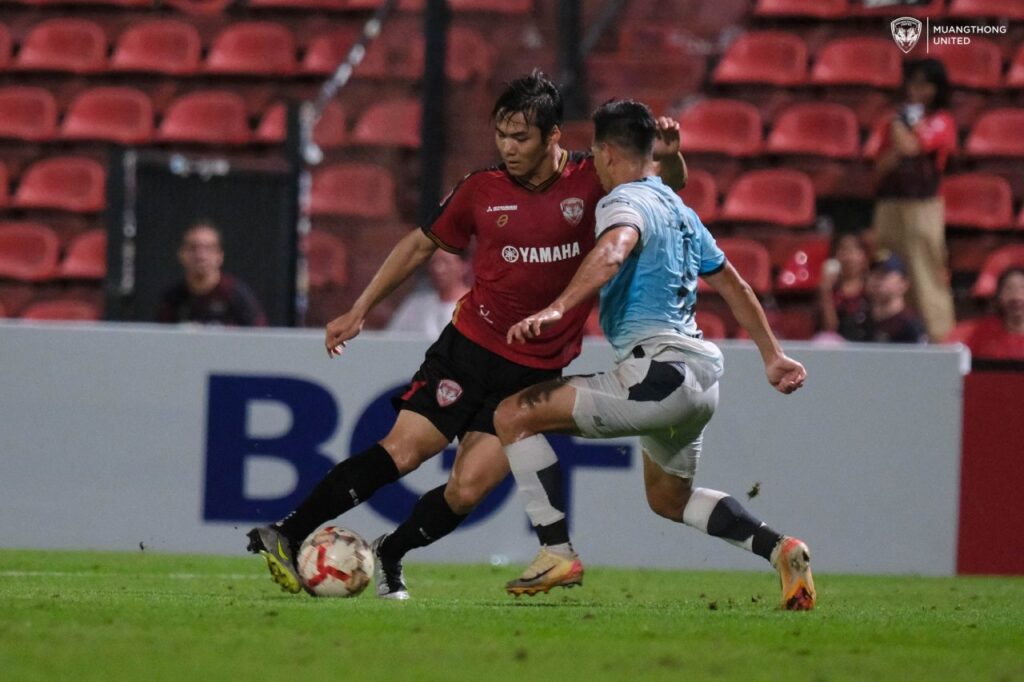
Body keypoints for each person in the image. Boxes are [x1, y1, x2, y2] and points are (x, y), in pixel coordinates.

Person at [246, 71, 688, 599]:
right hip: (468, 351)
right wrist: (360, 308)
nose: (508, 147)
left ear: (553, 138)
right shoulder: (482, 189)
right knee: (404, 450)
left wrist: (674, 155)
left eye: (520, 137)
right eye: (501, 135)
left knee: (468, 487)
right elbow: (418, 245)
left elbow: (668, 187)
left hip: (532, 373)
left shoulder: (595, 181)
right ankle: (288, 531)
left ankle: (393, 551)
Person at [491, 100, 816, 611]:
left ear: (605, 152)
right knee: (669, 500)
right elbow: (732, 282)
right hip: (700, 380)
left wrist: (556, 308)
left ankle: (556, 552)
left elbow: (616, 247)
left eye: (595, 154)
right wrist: (771, 355)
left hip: (656, 372)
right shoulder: (679, 210)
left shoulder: (624, 202)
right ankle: (781, 548)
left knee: (512, 414)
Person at [865, 58, 957, 343]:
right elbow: (879, 166)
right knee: (888, 272)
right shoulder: (891, 121)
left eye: (925, 84)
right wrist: (899, 130)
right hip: (890, 206)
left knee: (924, 275)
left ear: (935, 89)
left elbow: (911, 147)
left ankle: (939, 341)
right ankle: (890, 336)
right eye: (913, 83)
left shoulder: (941, 121)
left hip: (922, 208)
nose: (917, 90)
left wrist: (902, 133)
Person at [157, 221, 267, 327]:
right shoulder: (173, 298)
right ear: (181, 254)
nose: (200, 256)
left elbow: (260, 335)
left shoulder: (236, 294)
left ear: (219, 256)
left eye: (208, 248)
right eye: (193, 248)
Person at [387, 250, 472, 337]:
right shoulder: (415, 305)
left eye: (446, 262)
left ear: (464, 266)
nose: (438, 269)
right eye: (434, 262)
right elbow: (392, 339)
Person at [956, 267, 1024, 360]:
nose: (1016, 295)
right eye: (1009, 288)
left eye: (1022, 288)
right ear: (999, 296)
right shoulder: (985, 330)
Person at [861, 254, 927, 344]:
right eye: (872, 274)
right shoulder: (861, 320)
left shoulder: (910, 326)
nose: (876, 279)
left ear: (903, 283)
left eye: (883, 274)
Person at [817, 233, 871, 342]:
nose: (848, 257)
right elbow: (831, 328)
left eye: (853, 250)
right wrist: (825, 292)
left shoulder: (870, 286)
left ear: (864, 256)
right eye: (843, 250)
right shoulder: (831, 289)